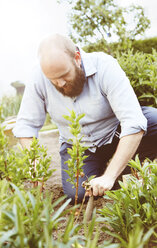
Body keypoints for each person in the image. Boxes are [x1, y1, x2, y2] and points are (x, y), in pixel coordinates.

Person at [13, 33, 157, 203]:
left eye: (64, 75)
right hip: (79, 146)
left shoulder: (104, 66)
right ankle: (116, 173)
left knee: (152, 120)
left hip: (115, 131)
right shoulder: (38, 78)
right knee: (80, 195)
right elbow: (26, 126)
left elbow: (133, 121)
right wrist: (34, 160)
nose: (60, 84)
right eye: (53, 80)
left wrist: (109, 176)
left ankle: (122, 170)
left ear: (77, 58)